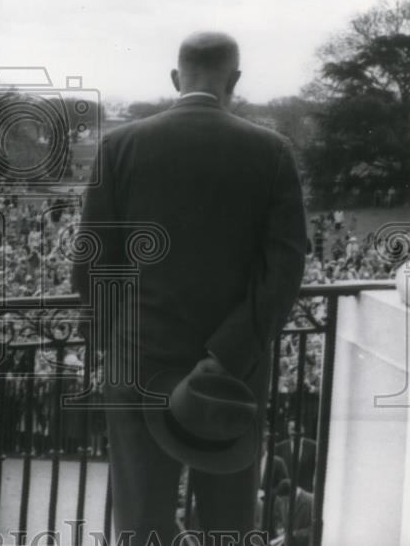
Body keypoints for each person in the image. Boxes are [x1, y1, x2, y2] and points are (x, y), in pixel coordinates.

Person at [72, 33, 306, 546]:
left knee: (141, 519)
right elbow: (285, 269)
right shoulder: (271, 150)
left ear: (176, 78)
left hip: (138, 359)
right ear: (235, 81)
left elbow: (92, 261)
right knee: (227, 520)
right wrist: (228, 353)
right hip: (232, 371)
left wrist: (113, 346)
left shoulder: (121, 145)